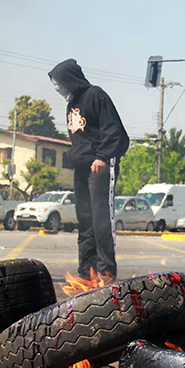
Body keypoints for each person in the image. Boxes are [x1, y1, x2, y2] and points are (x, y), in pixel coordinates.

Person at [48, 59, 129, 282]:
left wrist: (102, 156)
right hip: (81, 167)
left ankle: (106, 269)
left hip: (100, 164)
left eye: (60, 83)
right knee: (84, 218)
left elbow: (114, 131)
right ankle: (87, 270)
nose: (58, 88)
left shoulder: (96, 95)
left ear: (70, 79)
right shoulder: (70, 105)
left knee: (101, 218)